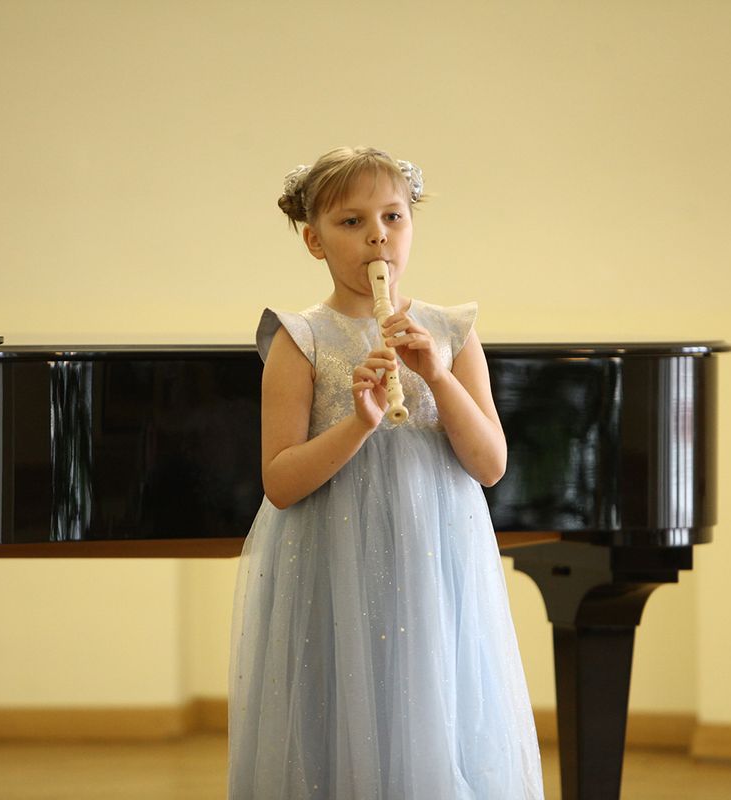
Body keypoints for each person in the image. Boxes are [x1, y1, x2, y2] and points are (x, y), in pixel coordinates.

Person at [228, 146, 544, 799]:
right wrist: (360, 422)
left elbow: (490, 465)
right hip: (334, 570)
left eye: (393, 216)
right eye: (352, 221)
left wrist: (436, 376)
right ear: (315, 241)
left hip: (436, 572)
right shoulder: (299, 339)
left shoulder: (451, 332)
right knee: (343, 717)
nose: (378, 235)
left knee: (434, 710)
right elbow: (280, 483)